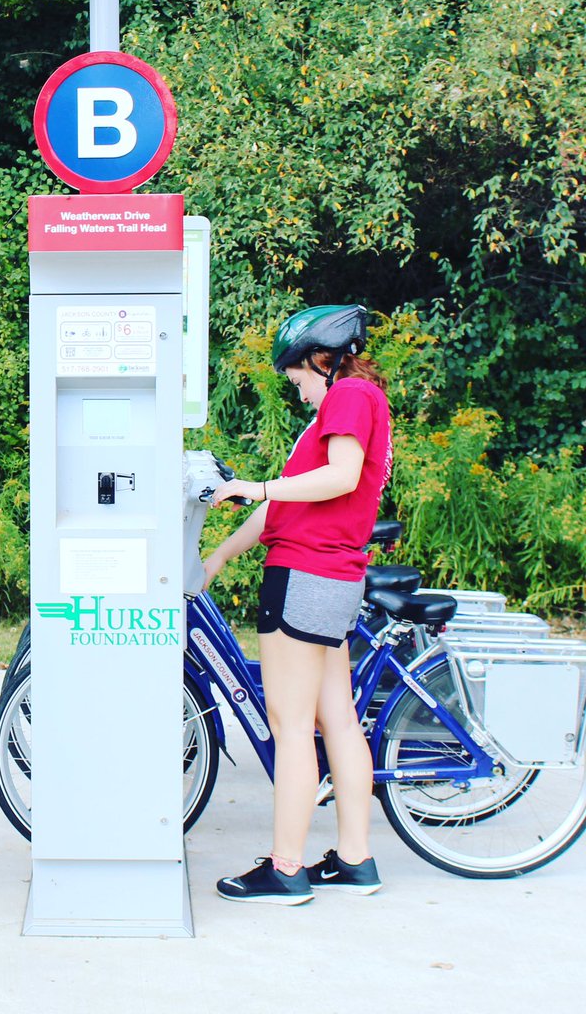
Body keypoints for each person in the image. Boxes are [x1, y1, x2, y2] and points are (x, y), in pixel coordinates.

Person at [204, 304, 392, 905]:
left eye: (300, 379)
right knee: (335, 719)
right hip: (334, 578)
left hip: (306, 577)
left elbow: (338, 478)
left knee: (289, 725)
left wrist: (256, 485)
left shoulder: (349, 397)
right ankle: (356, 859)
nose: (300, 392)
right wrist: (220, 556)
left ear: (324, 359)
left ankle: (286, 869)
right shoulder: (353, 406)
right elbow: (283, 505)